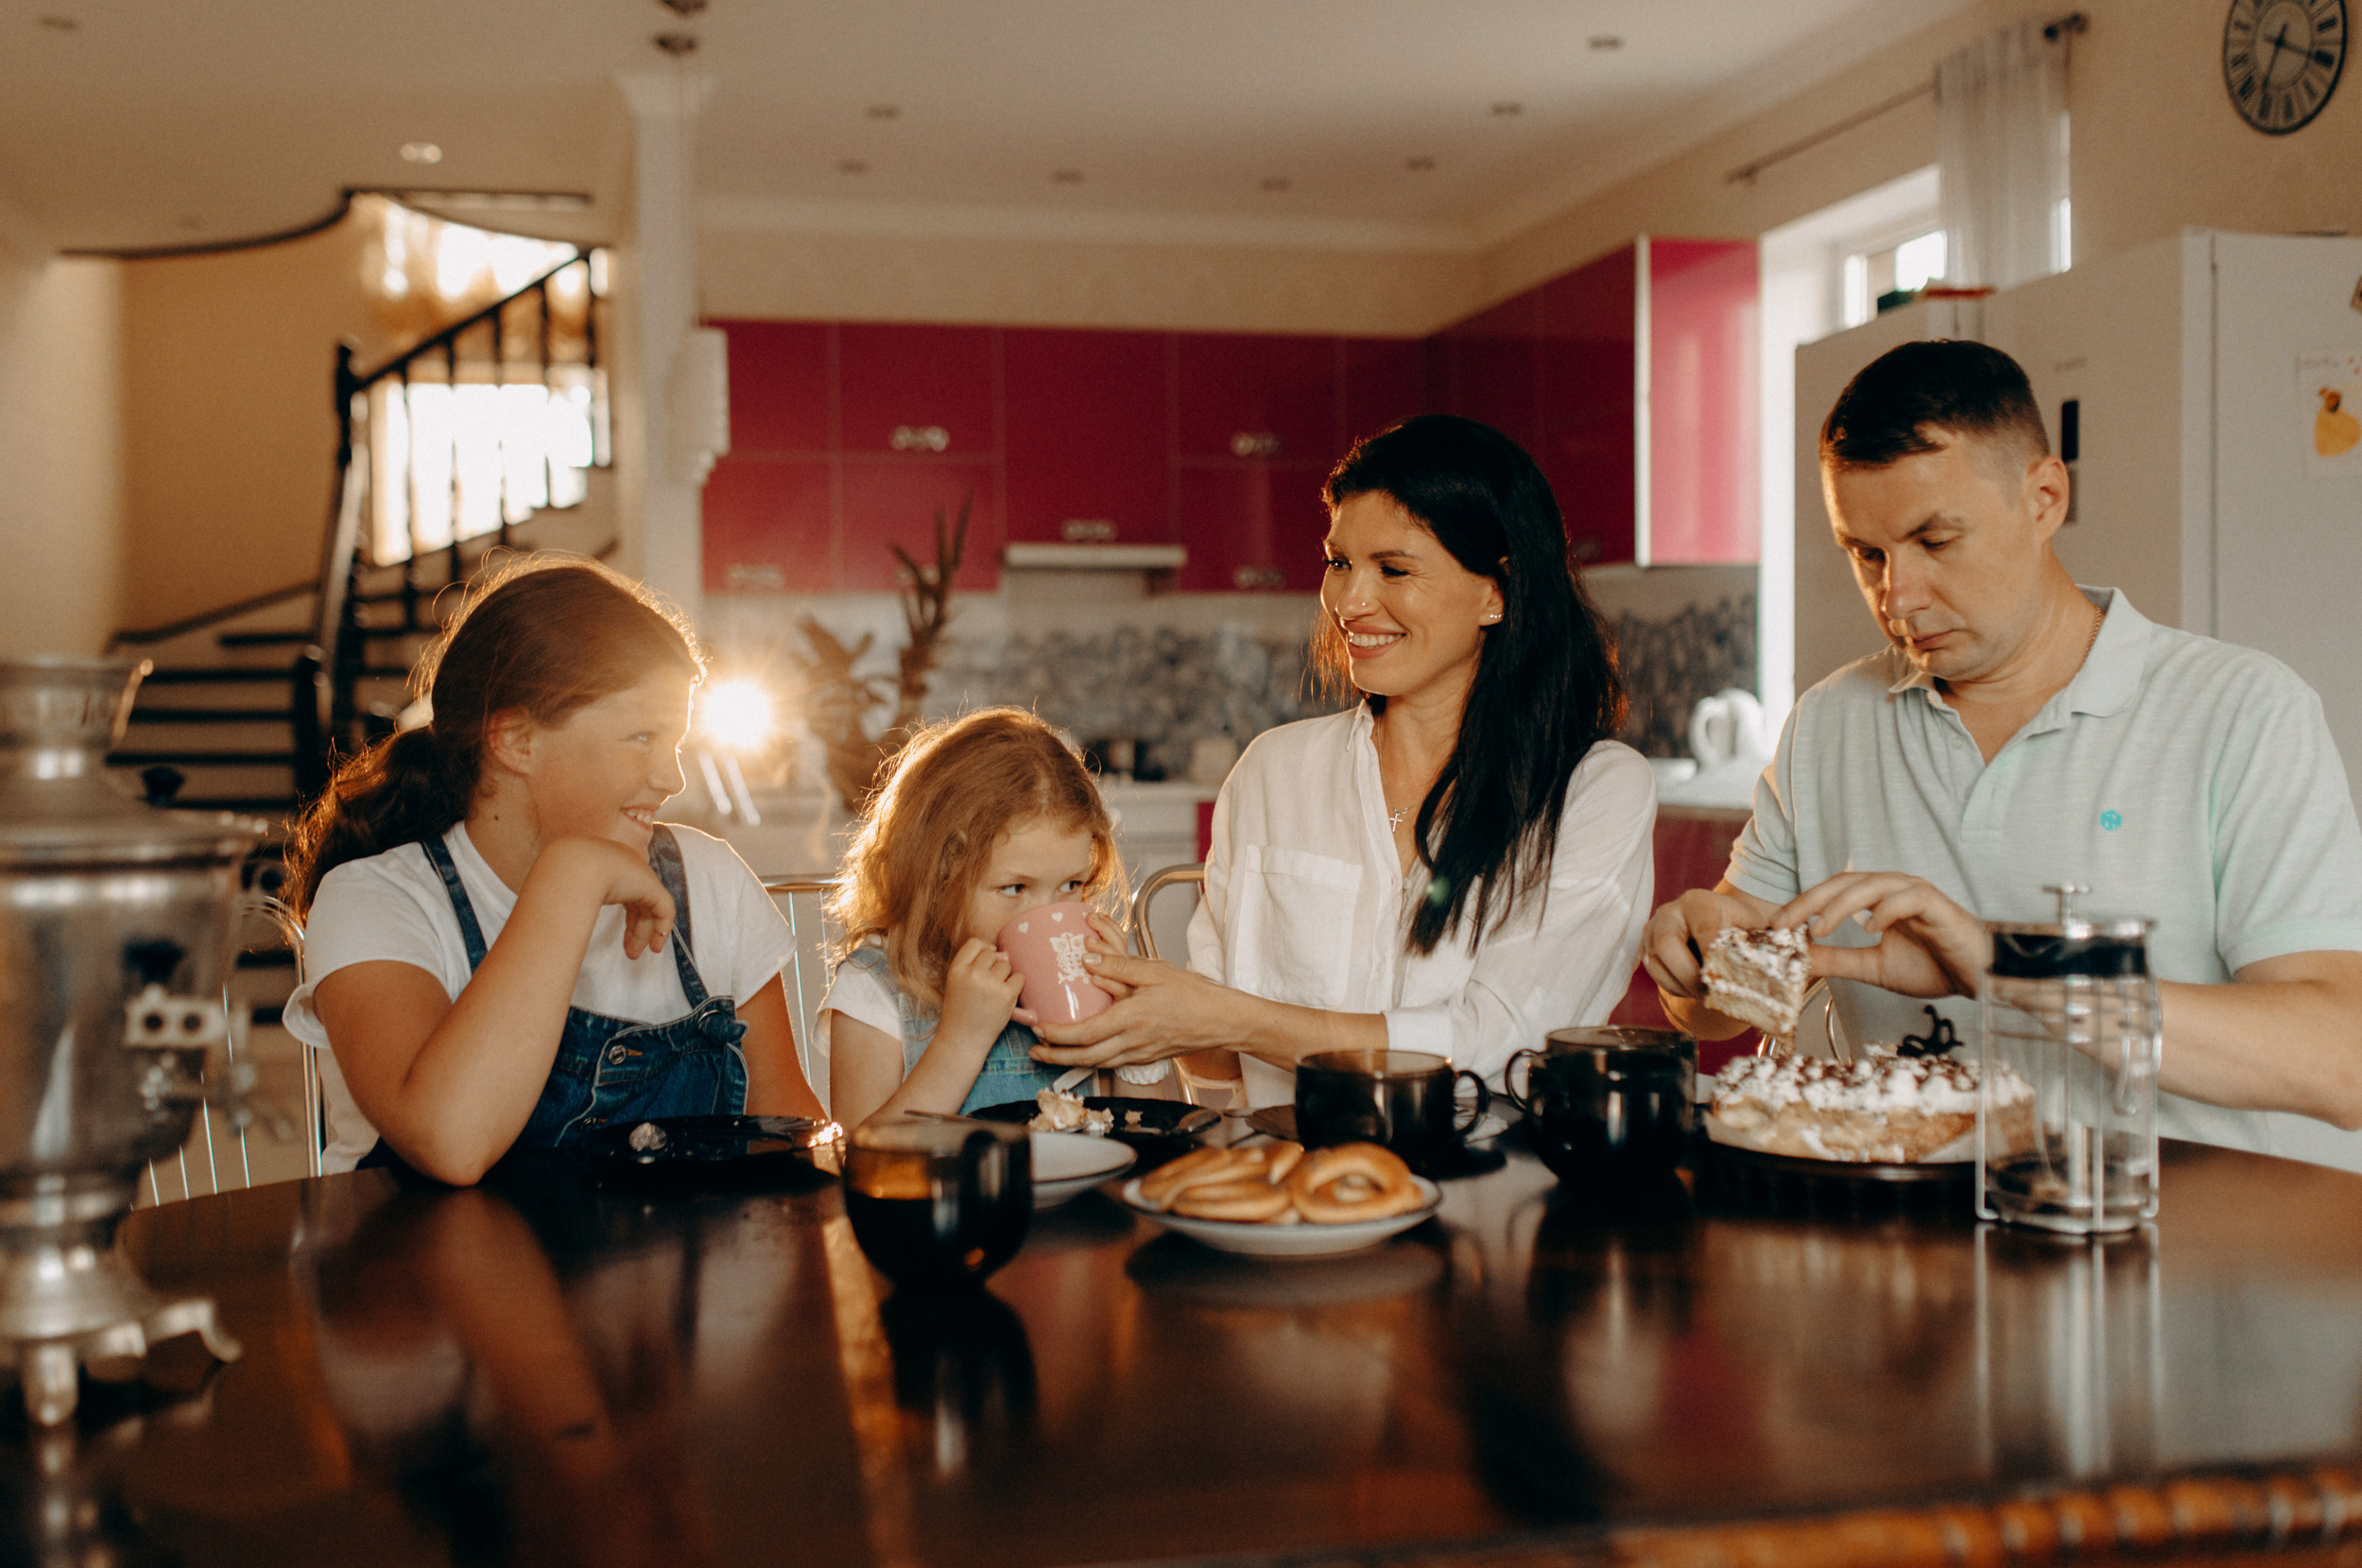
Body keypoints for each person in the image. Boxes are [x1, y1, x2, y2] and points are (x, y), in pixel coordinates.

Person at [1642, 339, 2362, 1149]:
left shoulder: (2241, 712)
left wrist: (2006, 967)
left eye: (1937, 541)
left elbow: (2340, 1059)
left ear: (2046, 496)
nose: (1897, 596)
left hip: (2174, 1250)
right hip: (1895, 1247)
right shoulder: (1831, 721)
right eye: (1866, 554)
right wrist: (1699, 955)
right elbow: (1716, 1005)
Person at [1030, 414, 1658, 1107]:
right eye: (1339, 563)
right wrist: (1140, 1002)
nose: (1349, 601)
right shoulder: (1272, 771)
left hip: (1498, 1195)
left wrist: (1226, 1017)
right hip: (1288, 1189)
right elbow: (1220, 1075)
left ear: (1497, 591)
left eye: (1393, 568)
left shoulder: (1593, 790)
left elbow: (1504, 1041)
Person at [284, 555, 824, 1182]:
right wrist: (570, 877)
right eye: (643, 737)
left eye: (676, 743)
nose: (672, 778)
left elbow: (792, 1138)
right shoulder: (372, 899)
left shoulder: (707, 877)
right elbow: (450, 1140)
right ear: (516, 741)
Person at [820, 708, 1127, 1130]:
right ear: (939, 872)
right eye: (1015, 888)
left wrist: (1133, 1029)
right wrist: (961, 1041)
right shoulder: (877, 988)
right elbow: (858, 1157)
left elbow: (1140, 1133)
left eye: (1071, 885)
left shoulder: (1084, 981)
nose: (1046, 915)